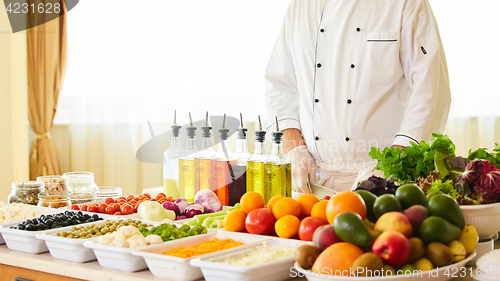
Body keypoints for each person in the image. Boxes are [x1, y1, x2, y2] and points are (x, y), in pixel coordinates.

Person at [265, 0, 451, 193]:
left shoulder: (405, 3)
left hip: (385, 183)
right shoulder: (300, 5)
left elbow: (431, 87)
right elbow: (279, 83)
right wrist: (293, 148)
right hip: (312, 183)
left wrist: (394, 163)